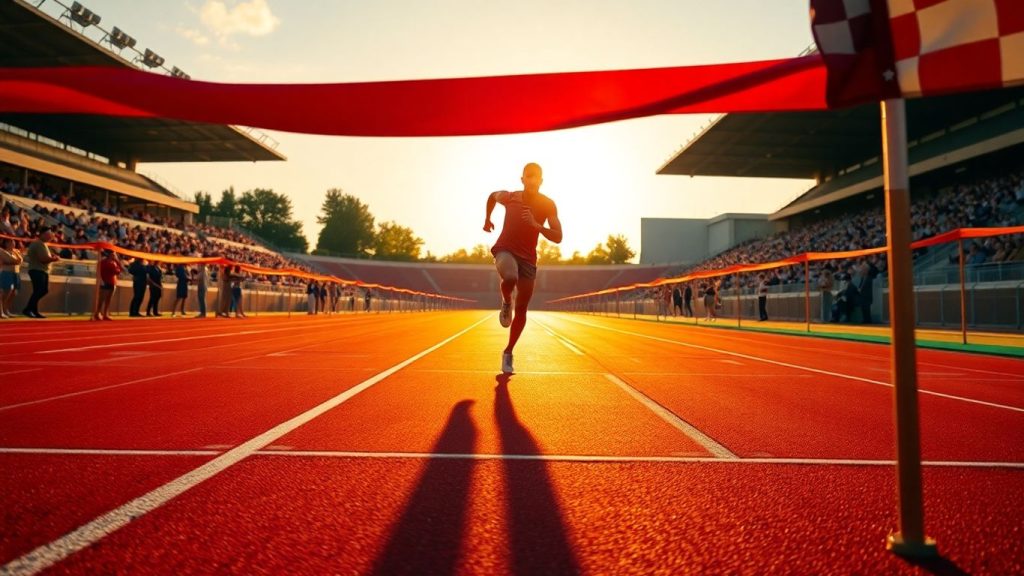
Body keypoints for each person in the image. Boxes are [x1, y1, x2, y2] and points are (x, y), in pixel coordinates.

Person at [483, 162, 563, 373]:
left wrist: (538, 226)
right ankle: (506, 300)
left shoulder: (548, 205)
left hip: (528, 259)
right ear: (522, 179)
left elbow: (558, 236)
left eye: (536, 177)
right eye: (529, 176)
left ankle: (508, 351)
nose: (532, 180)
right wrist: (487, 218)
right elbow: (492, 196)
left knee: (523, 309)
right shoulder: (510, 197)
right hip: (505, 250)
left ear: (541, 181)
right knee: (509, 277)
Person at [22, 227, 60, 318]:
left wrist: (51, 257)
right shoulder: (39, 244)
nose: (51, 236)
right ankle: (28, 309)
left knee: (39, 291)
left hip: (41, 270)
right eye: (49, 234)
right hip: (37, 270)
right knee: (41, 290)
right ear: (42, 234)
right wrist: (54, 259)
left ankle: (34, 311)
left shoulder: (42, 244)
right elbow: (43, 259)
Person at [92, 249, 122, 321]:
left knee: (108, 300)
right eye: (113, 254)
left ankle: (105, 313)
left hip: (112, 282)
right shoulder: (103, 262)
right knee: (101, 299)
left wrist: (117, 262)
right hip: (105, 282)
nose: (115, 256)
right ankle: (97, 313)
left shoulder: (114, 262)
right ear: (109, 254)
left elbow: (119, 271)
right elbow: (101, 271)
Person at [0, 238, 23, 319]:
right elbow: (11, 260)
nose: (13, 244)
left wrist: (17, 257)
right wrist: (16, 259)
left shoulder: (15, 251)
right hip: (6, 273)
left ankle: (6, 310)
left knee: (14, 293)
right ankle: (1, 311)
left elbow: (20, 261)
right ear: (6, 243)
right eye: (10, 242)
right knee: (5, 292)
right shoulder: (2, 251)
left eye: (13, 242)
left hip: (15, 273)